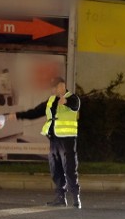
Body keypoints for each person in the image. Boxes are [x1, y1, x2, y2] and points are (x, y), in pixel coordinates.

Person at [9, 76, 82, 208]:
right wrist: (18, 115)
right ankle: (60, 198)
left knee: (69, 168)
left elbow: (75, 105)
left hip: (67, 140)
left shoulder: (73, 97)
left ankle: (76, 198)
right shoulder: (50, 101)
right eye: (52, 87)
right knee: (56, 169)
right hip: (54, 140)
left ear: (62, 85)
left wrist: (65, 101)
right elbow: (35, 112)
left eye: (55, 86)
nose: (53, 89)